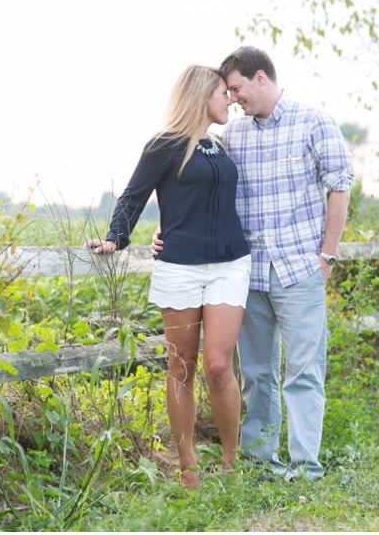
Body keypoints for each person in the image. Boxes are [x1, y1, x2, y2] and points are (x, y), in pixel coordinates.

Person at [152, 46, 353, 481]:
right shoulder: (231, 137)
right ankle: (262, 463)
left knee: (303, 372)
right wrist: (171, 229)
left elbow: (340, 185)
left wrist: (327, 255)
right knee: (257, 374)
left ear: (260, 78)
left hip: (300, 268)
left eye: (237, 89)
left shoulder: (312, 121)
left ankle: (305, 467)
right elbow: (206, 192)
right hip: (247, 272)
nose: (234, 98)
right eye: (228, 92)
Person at [86, 65, 252, 487]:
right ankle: (188, 469)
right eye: (222, 92)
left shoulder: (218, 145)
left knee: (218, 365)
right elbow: (133, 196)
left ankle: (232, 466)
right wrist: (114, 239)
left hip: (229, 265)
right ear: (200, 96)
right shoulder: (164, 145)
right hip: (179, 268)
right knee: (181, 368)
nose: (229, 99)